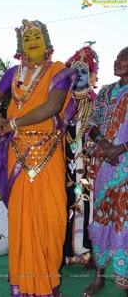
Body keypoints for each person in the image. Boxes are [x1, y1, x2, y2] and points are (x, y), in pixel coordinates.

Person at [0, 19, 77, 297]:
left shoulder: (58, 71)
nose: (32, 41)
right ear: (20, 47)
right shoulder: (13, 74)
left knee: (52, 219)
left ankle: (48, 284)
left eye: (37, 36)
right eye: (26, 39)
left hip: (48, 154)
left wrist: (13, 123)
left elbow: (51, 107)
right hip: (18, 154)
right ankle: (26, 286)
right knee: (22, 220)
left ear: (47, 42)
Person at [81, 46, 128, 297]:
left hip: (126, 168)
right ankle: (99, 277)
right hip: (105, 168)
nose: (117, 61)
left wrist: (121, 147)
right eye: (117, 57)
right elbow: (91, 124)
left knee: (125, 223)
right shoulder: (107, 92)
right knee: (100, 220)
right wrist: (104, 144)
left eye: (124, 58)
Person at [63, 42, 99, 268]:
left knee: (88, 205)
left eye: (84, 71)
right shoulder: (62, 103)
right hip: (64, 164)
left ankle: (88, 250)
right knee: (65, 204)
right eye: (74, 70)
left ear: (93, 76)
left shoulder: (96, 103)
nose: (78, 75)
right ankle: (66, 250)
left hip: (88, 165)